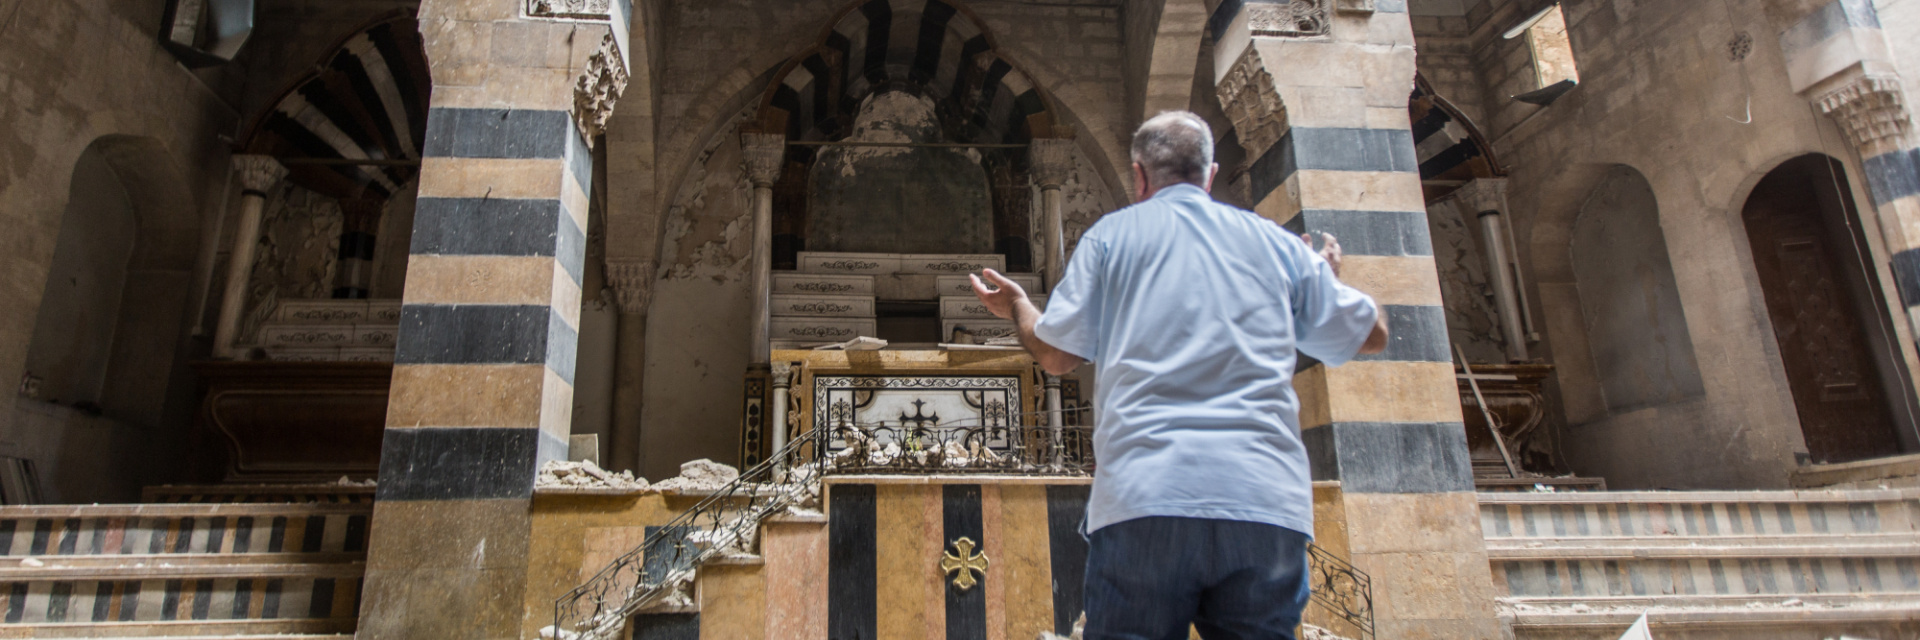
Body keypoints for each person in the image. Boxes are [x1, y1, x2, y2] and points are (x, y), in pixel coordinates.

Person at [970, 111, 1389, 640]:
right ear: (1210, 175)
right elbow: (1370, 335)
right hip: (1262, 502)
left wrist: (1018, 307)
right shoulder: (1275, 244)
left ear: (1139, 175)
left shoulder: (1111, 238)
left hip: (1146, 498)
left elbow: (1055, 356)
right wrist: (1325, 283)